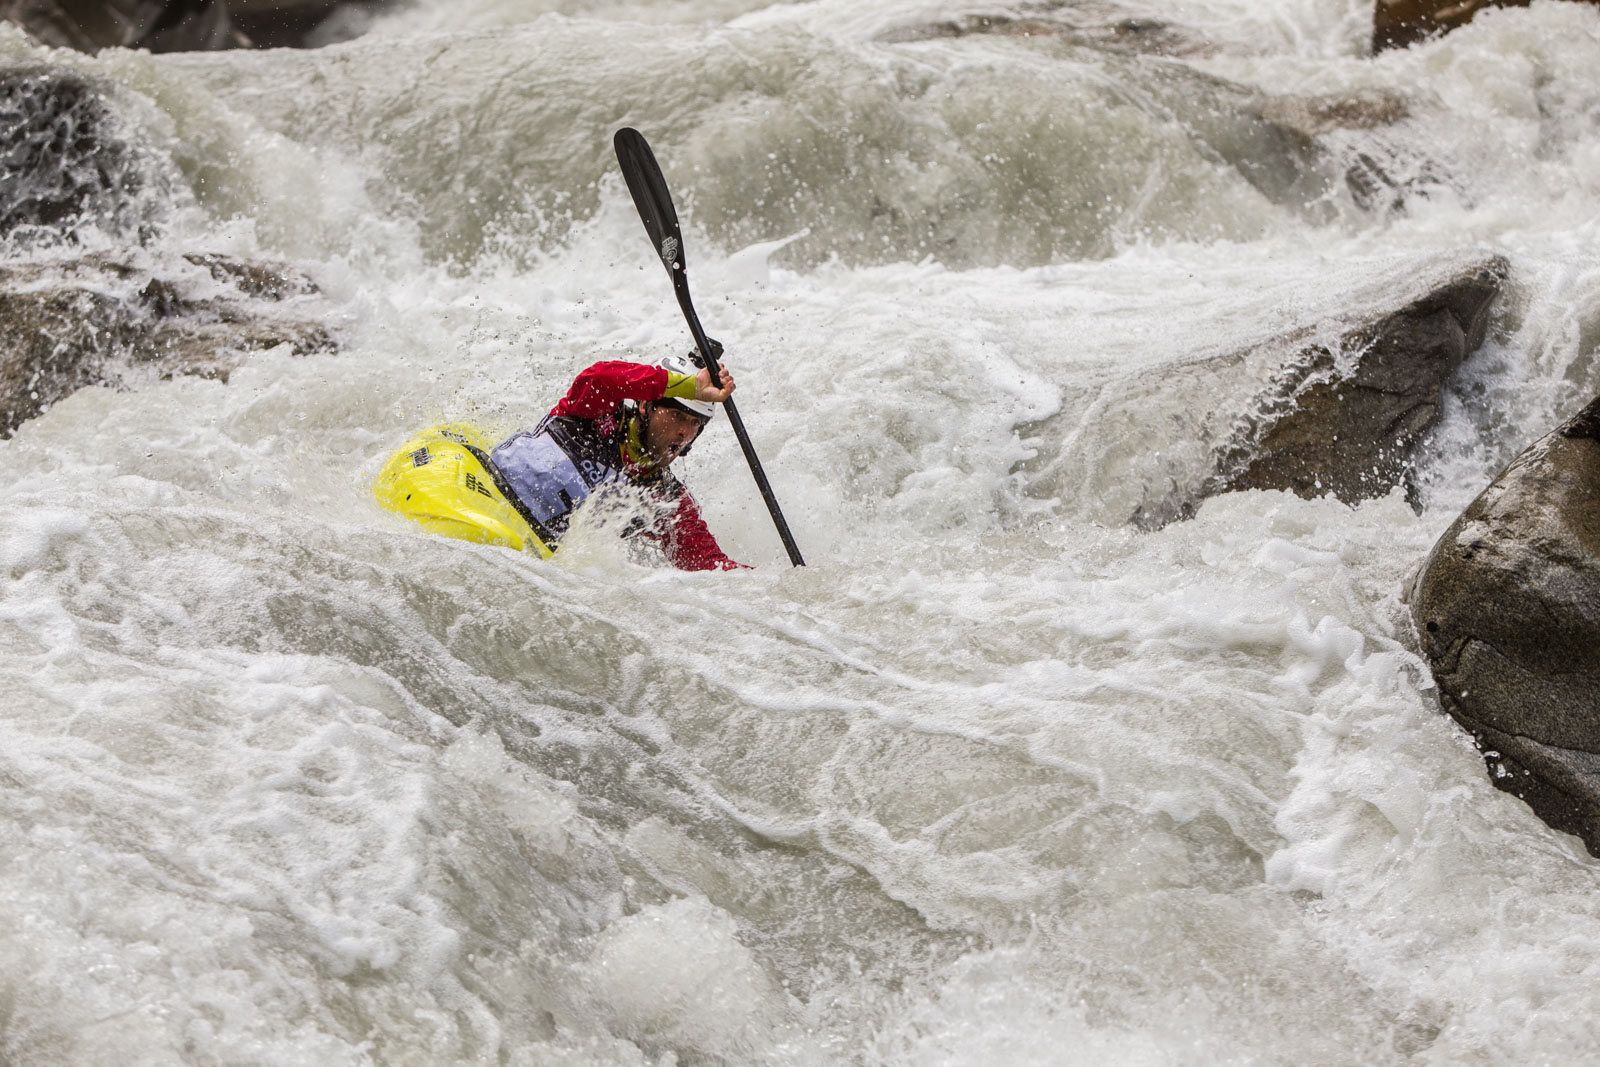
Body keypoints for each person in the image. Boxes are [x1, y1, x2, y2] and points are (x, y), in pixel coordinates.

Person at [489, 349, 745, 571]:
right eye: (677, 416)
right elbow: (600, 377)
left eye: (694, 424)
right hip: (488, 489)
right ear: (646, 406)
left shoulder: (667, 499)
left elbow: (708, 565)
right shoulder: (597, 413)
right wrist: (688, 387)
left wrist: (775, 585)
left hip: (530, 552)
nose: (684, 433)